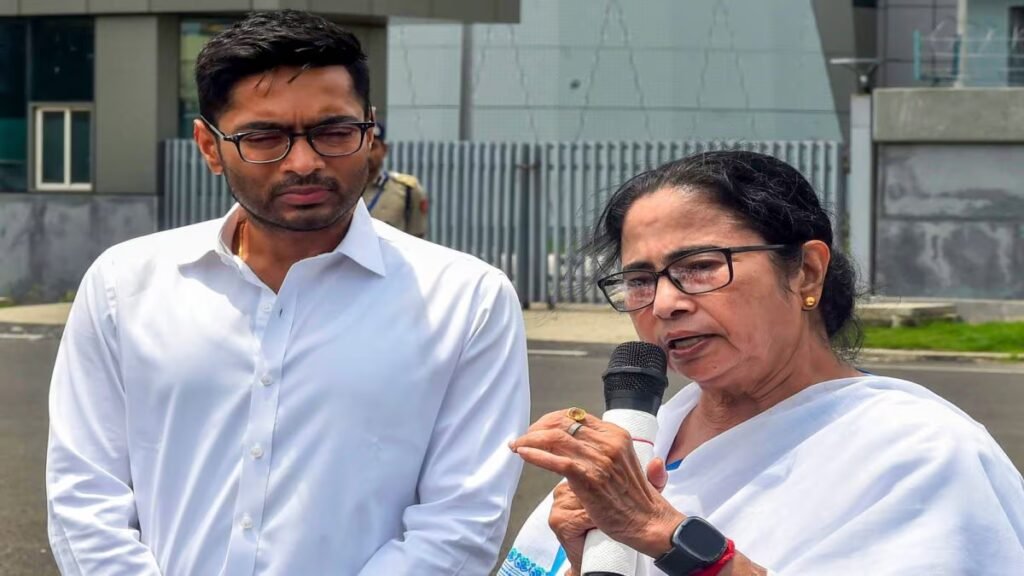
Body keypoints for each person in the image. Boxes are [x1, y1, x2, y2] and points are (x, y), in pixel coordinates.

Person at [46, 10, 529, 575]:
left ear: (370, 134)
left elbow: (462, 521)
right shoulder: (124, 284)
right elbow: (83, 492)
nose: (305, 162)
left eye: (334, 131)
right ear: (208, 145)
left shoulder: (467, 300)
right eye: (264, 137)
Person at [503, 150, 1024, 575]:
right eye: (640, 280)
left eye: (701, 267)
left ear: (807, 273)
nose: (664, 304)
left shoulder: (920, 455)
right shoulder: (643, 436)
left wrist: (668, 536)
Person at [362, 120, 429, 237]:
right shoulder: (338, 188)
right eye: (362, 147)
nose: (367, 154)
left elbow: (417, 238)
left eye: (373, 147)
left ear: (385, 149)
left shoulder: (408, 190)